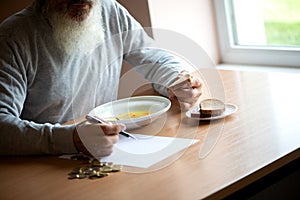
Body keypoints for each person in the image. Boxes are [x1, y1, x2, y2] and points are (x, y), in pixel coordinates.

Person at [0, 0, 202, 158]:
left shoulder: (109, 10)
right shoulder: (12, 37)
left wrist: (176, 81)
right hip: (44, 163)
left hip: (111, 150)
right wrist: (70, 139)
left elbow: (151, 57)